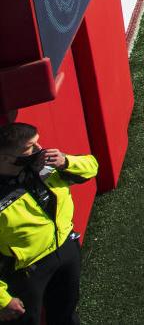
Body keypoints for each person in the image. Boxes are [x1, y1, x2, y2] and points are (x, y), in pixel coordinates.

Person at [0, 122, 97, 325]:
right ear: (6, 158)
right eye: (30, 147)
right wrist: (3, 299)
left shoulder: (46, 166)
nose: (40, 149)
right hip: (28, 271)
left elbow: (92, 167)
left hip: (66, 248)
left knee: (67, 314)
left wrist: (66, 162)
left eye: (38, 142)